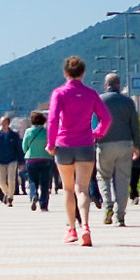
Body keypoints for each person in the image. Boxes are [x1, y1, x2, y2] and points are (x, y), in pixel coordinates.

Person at [46, 55, 112, 244]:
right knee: (82, 189)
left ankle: (72, 230)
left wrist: (51, 143)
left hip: (64, 145)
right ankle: (85, 226)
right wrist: (96, 134)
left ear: (65, 73)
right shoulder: (91, 94)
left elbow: (52, 120)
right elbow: (106, 118)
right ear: (83, 73)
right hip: (85, 145)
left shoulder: (59, 93)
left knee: (67, 189)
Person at [95, 74, 140, 227]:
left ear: (105, 84)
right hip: (125, 143)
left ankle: (108, 206)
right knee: (122, 180)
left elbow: (94, 123)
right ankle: (120, 216)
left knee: (103, 176)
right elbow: (134, 124)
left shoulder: (99, 100)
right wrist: (137, 145)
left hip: (104, 143)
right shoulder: (128, 101)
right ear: (119, 85)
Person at [21, 110, 54, 209]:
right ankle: (43, 204)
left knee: (32, 180)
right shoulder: (47, 132)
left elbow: (24, 147)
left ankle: (33, 195)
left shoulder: (28, 131)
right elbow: (51, 144)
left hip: (31, 159)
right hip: (46, 158)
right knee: (45, 182)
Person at [0, 117, 23, 204]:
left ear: (8, 124)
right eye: (1, 123)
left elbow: (18, 149)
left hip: (12, 160)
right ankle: (7, 193)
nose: (3, 125)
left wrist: (21, 161)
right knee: (1, 181)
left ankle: (10, 198)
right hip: (0, 160)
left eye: (5, 123)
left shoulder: (14, 135)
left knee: (11, 180)